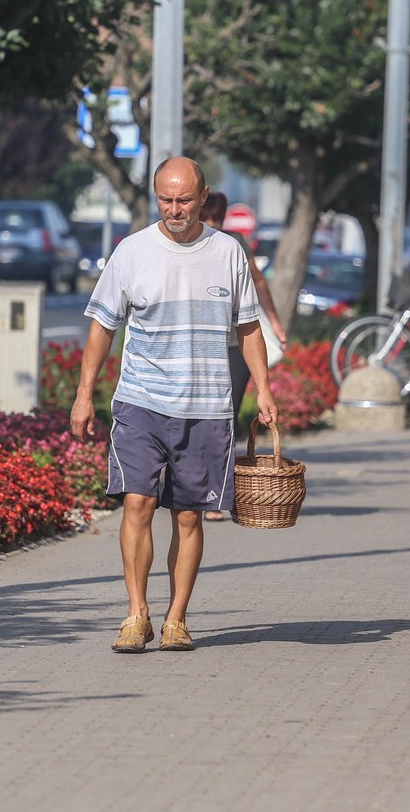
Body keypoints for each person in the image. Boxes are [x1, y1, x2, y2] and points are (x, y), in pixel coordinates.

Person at [71, 157, 279, 653]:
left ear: (203, 196)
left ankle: (176, 619)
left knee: (188, 516)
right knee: (138, 502)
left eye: (184, 199)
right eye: (165, 199)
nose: (174, 208)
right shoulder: (132, 252)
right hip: (141, 399)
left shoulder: (228, 253)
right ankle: (136, 614)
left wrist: (264, 389)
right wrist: (84, 395)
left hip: (207, 405)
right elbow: (103, 326)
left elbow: (249, 328)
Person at [198, 191, 288, 521]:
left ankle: (214, 492)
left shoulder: (233, 243)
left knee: (226, 416)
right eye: (210, 216)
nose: (214, 224)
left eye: (217, 217)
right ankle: (192, 484)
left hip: (236, 345)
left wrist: (274, 324)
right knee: (202, 417)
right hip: (200, 344)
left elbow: (258, 282)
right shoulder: (190, 242)